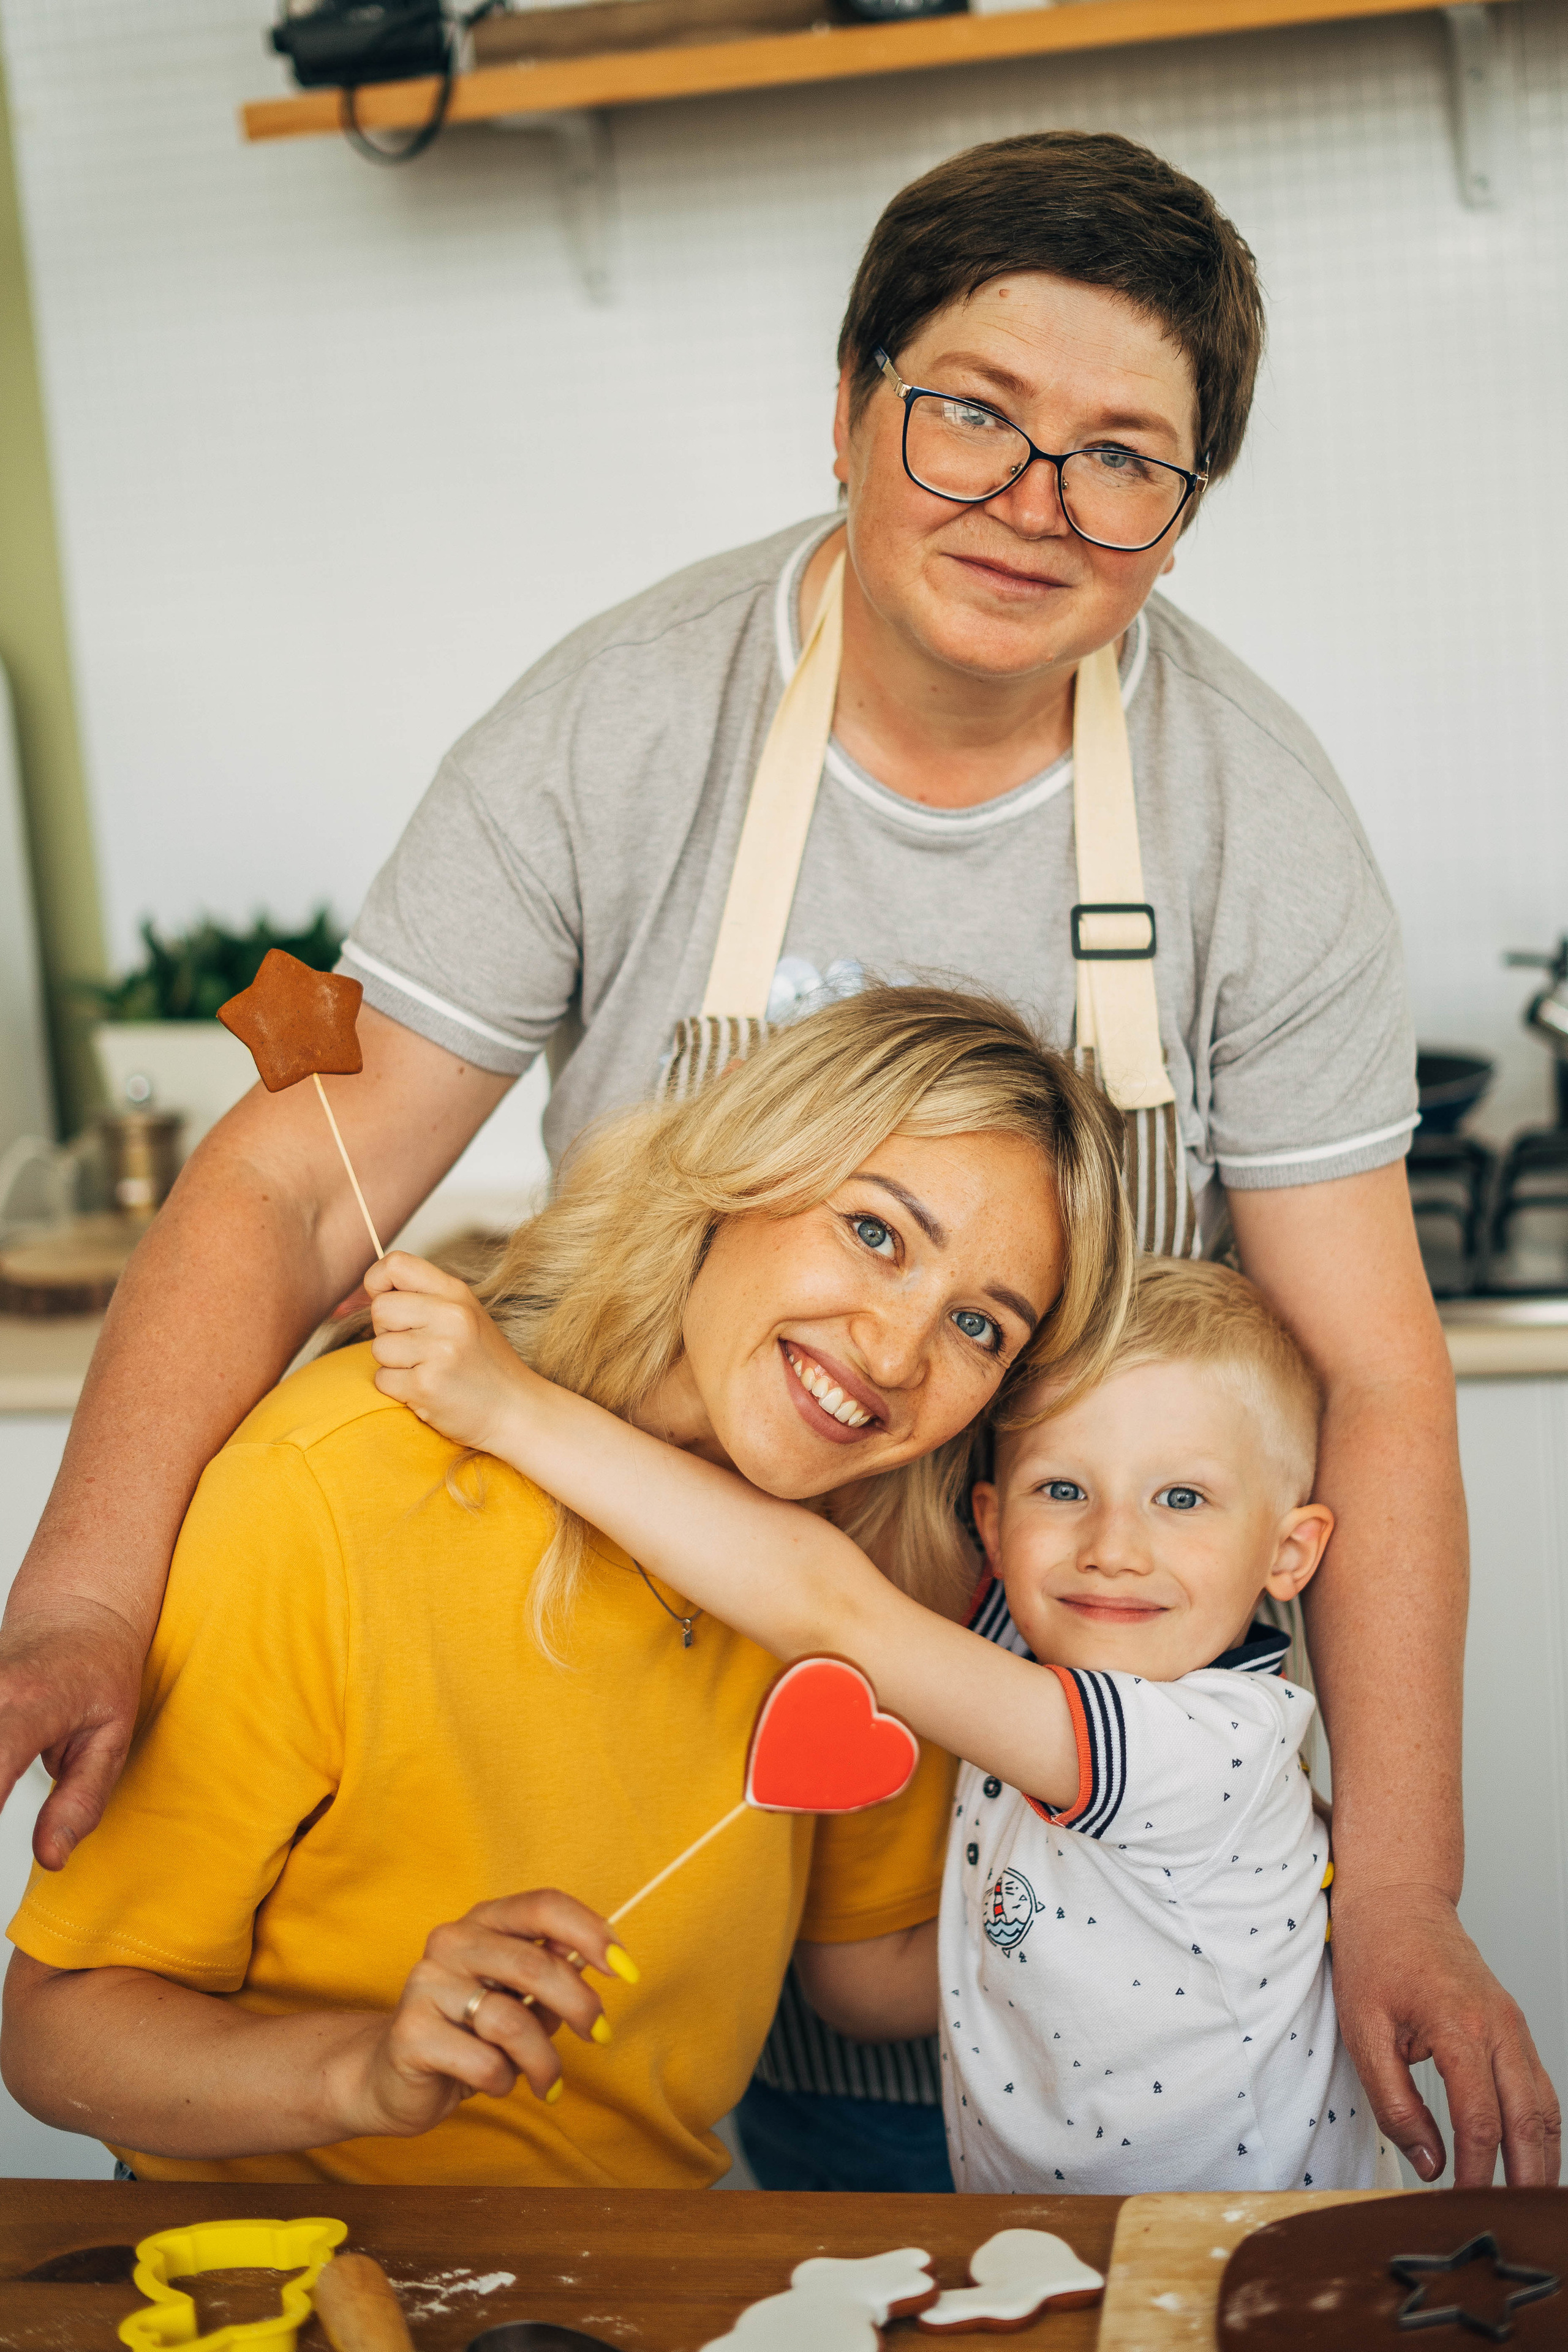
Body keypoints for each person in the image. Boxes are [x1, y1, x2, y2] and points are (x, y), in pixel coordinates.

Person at [1, 130, 1556, 2190]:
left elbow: (1369, 1371)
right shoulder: (624, 725)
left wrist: (1395, 1889)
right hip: (656, 1792)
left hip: (1053, 1857)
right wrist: (93, 1590)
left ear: (1181, 521)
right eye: (972, 417)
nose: (1033, 502)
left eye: (1123, 457)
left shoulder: (1252, 820)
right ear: (848, 408)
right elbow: (295, 1178)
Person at [0, 993, 1127, 2185]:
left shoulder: (884, 1584)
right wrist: (364, 2070)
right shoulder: (331, 1486)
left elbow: (864, 1975)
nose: (897, 1355)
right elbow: (55, 2030)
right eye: (874, 1234)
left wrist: (1174, 1880)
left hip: (628, 2277)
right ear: (738, 1175)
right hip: (277, 2271)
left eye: (975, 1326)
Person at [347, 1245, 1403, 2193]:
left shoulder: (1201, 1745)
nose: (1112, 1546)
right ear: (992, 1523)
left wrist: (509, 1406)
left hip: (1250, 2264)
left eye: (1183, 1500)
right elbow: (883, 1989)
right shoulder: (1028, 1638)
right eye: (1063, 1489)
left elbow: (828, 1604)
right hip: (1064, 2251)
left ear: (1289, 1555)